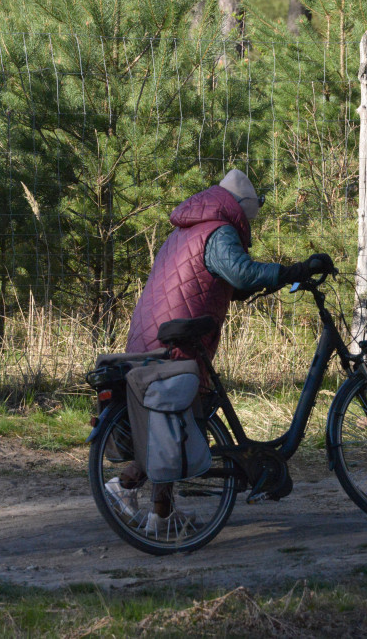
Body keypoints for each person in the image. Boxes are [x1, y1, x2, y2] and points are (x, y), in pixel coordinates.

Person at [106, 169, 332, 534]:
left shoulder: (190, 228)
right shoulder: (218, 230)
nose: (250, 226)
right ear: (240, 209)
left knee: (175, 422)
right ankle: (124, 485)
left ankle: (161, 515)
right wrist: (296, 269)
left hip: (160, 335)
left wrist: (280, 279)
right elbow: (241, 274)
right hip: (176, 340)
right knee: (177, 427)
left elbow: (224, 281)